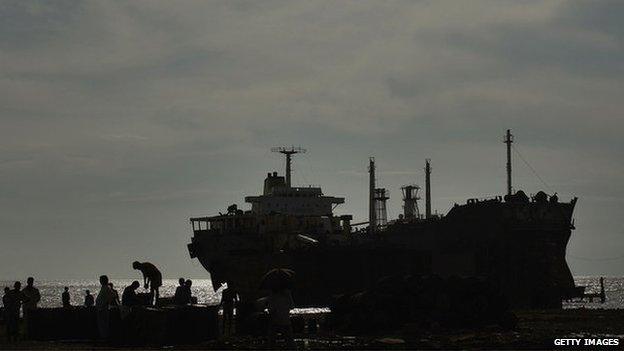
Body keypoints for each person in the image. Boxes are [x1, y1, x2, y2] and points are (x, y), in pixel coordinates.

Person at [95, 275, 114, 340]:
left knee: (104, 324)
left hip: (103, 308)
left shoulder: (106, 288)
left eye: (101, 280)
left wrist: (105, 303)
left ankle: (105, 337)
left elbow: (112, 295)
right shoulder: (104, 287)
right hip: (100, 308)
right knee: (101, 324)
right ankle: (103, 336)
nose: (100, 281)